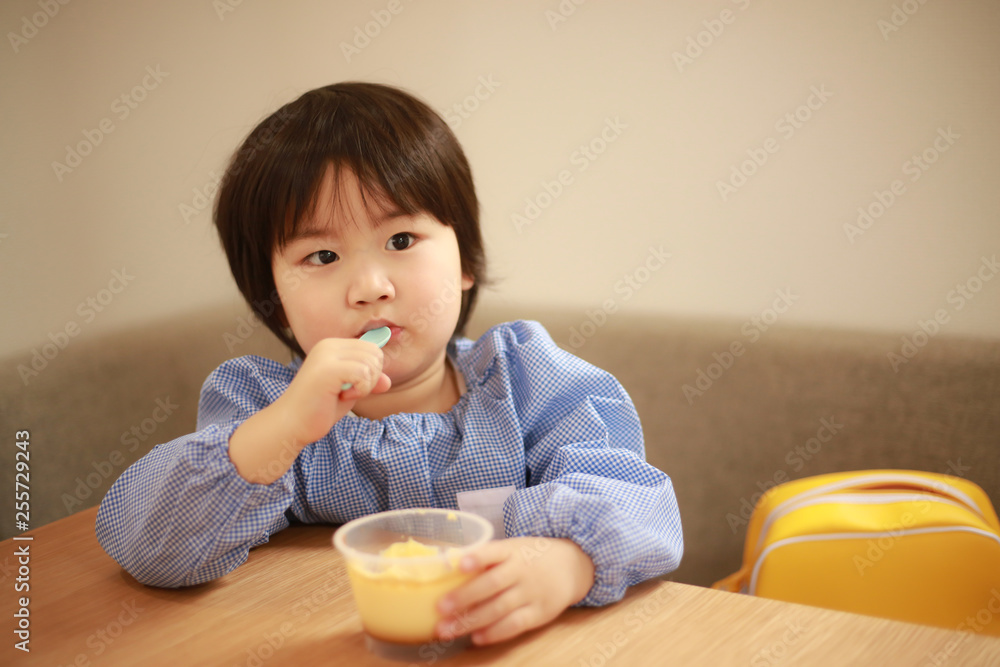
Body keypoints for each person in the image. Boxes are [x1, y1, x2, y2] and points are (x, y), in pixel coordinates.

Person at [96, 82, 683, 646]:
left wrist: (569, 562)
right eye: (322, 255)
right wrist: (284, 429)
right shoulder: (262, 404)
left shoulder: (527, 381)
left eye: (400, 241)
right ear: (272, 301)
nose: (370, 287)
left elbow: (639, 503)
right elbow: (152, 547)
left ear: (464, 261)